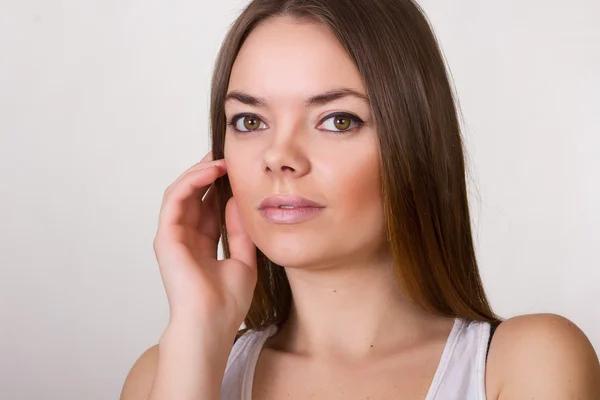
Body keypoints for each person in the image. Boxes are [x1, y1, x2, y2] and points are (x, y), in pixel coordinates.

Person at [120, 0, 600, 399]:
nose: (278, 157)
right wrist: (198, 337)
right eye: (249, 121)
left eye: (338, 120)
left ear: (414, 142)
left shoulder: (528, 363)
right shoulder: (163, 375)